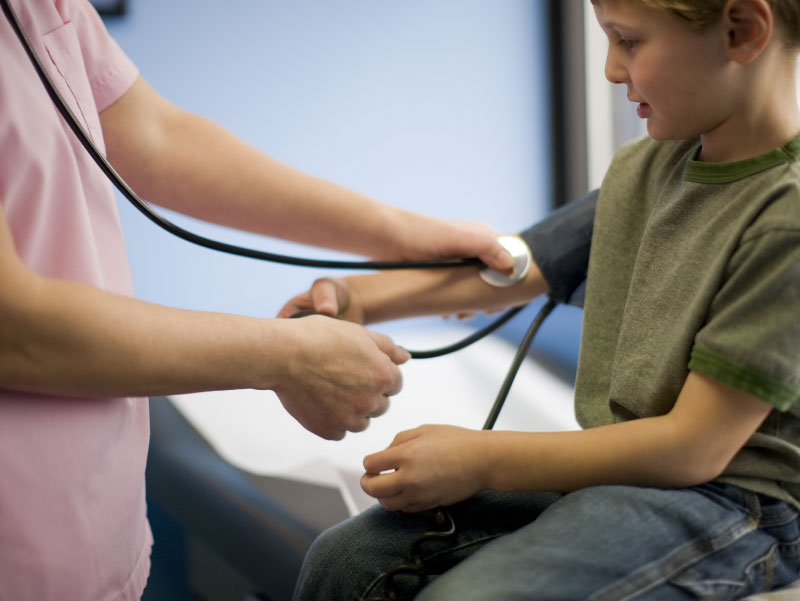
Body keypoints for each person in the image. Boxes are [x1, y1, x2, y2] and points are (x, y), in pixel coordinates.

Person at [0, 1, 517, 599]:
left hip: (91, 524)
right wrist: (287, 357)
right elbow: (15, 326)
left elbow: (155, 138)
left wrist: (405, 237)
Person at [285, 0, 800, 599]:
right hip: (629, 473)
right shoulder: (649, 166)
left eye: (628, 41)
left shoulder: (784, 219)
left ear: (741, 30)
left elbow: (694, 448)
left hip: (739, 501)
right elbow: (519, 265)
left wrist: (482, 459)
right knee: (348, 559)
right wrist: (355, 299)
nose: (610, 69)